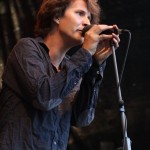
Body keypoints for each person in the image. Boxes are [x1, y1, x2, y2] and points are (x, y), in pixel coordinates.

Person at [0, 0, 120, 149]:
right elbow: (44, 97)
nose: (87, 23)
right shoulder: (26, 48)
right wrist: (86, 53)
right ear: (57, 16)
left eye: (89, 17)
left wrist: (95, 65)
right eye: (80, 13)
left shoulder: (70, 67)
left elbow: (82, 118)